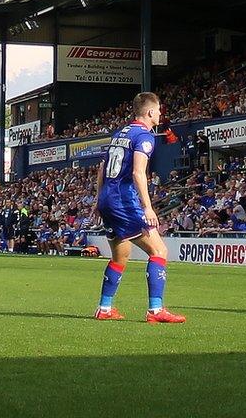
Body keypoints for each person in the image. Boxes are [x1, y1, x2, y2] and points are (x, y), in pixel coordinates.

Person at [92, 92, 184, 323]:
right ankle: (156, 310)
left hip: (107, 200)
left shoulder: (119, 133)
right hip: (124, 201)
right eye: (159, 110)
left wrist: (98, 200)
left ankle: (104, 308)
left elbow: (103, 168)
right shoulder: (144, 136)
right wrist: (148, 207)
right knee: (159, 251)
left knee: (120, 256)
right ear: (151, 112)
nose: (161, 114)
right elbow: (137, 172)